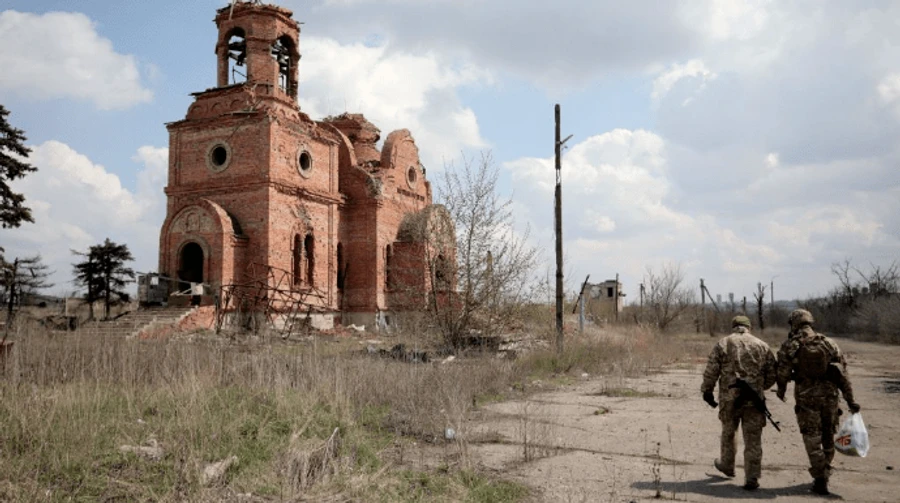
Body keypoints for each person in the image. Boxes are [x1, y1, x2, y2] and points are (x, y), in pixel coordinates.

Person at [776, 309, 860, 496]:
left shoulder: (790, 345)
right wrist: (850, 400)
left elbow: (782, 372)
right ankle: (825, 471)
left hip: (806, 398)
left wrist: (781, 390)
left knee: (811, 437)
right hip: (830, 397)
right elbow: (842, 374)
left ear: (793, 324)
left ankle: (820, 476)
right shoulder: (829, 343)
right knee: (828, 436)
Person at [701, 315, 777, 490]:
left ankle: (727, 466)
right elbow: (772, 374)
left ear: (734, 326)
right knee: (753, 438)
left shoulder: (723, 343)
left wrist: (707, 390)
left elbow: (712, 370)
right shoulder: (762, 345)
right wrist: (759, 387)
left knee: (729, 432)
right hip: (754, 400)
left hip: (729, 399)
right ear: (749, 327)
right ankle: (752, 477)